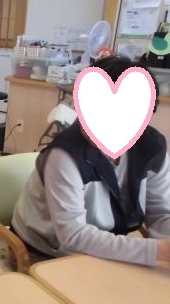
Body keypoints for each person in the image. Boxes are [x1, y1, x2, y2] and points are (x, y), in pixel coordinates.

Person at [11, 54, 170, 266]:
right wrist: (157, 250)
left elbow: (161, 214)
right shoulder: (64, 155)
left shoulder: (151, 148)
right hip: (47, 248)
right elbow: (73, 236)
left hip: (102, 242)